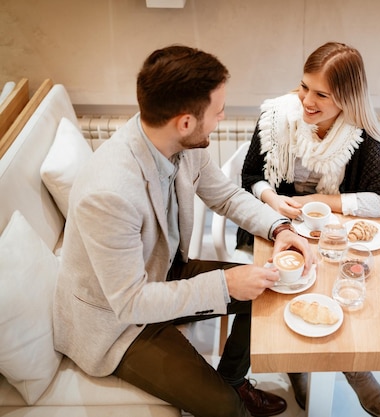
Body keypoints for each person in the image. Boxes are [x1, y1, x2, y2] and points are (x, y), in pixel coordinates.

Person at [52, 45, 314, 417]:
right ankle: (232, 399)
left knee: (271, 289)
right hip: (117, 322)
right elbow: (130, 303)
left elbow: (224, 195)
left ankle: (235, 380)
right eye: (218, 111)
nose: (222, 118)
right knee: (225, 409)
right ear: (186, 122)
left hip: (162, 273)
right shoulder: (108, 194)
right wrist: (225, 286)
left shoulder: (178, 143)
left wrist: (279, 227)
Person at [238, 41, 380, 417]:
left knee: (339, 291)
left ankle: (354, 370)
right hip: (274, 223)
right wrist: (273, 200)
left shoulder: (361, 138)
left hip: (329, 232)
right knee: (287, 291)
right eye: (304, 86)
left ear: (346, 98)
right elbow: (250, 177)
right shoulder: (277, 118)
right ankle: (297, 365)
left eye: (321, 94)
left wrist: (325, 204)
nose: (307, 100)